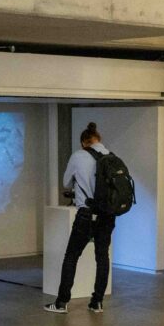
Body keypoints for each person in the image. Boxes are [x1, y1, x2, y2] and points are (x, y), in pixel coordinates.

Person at [46, 122, 117, 314]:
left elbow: (66, 182)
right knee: (102, 258)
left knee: (71, 257)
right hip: (107, 215)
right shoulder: (110, 157)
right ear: (98, 140)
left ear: (83, 143)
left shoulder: (78, 156)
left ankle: (61, 303)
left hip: (86, 214)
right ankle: (97, 302)